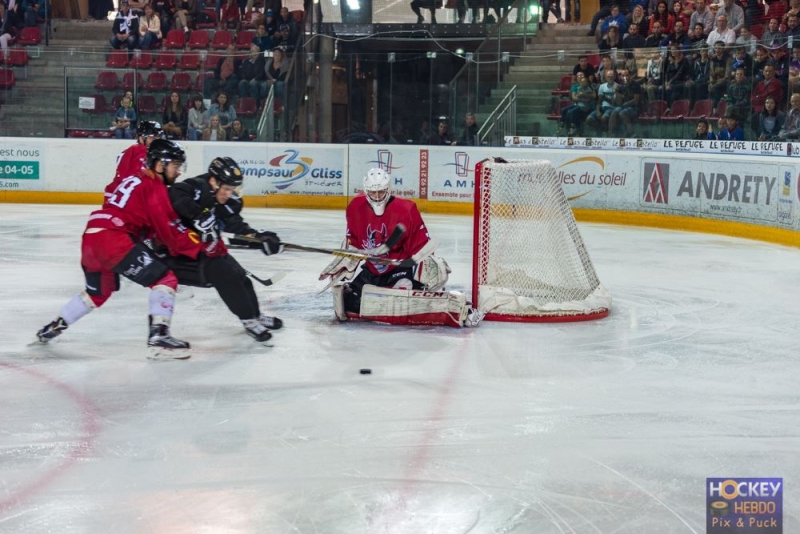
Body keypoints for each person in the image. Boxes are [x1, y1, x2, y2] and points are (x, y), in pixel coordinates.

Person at [35, 140, 215, 359]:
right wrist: (199, 245)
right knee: (165, 279)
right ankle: (159, 338)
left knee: (98, 293)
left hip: (92, 237)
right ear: (160, 165)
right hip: (114, 239)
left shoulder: (134, 178)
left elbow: (142, 221)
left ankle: (54, 326)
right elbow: (168, 230)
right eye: (175, 166)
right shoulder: (154, 186)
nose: (178, 172)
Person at [320, 168, 477, 328]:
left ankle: (436, 299)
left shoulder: (405, 210)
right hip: (372, 270)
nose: (377, 197)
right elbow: (353, 241)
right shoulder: (356, 207)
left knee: (401, 294)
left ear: (388, 189)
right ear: (366, 191)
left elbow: (420, 245)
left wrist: (427, 265)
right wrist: (347, 260)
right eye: (373, 193)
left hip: (398, 270)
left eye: (381, 192)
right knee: (348, 300)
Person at [165, 157, 283, 342]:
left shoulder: (224, 201)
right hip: (180, 255)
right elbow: (175, 195)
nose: (229, 194)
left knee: (240, 275)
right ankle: (248, 320)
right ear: (213, 181)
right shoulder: (197, 187)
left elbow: (236, 228)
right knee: (226, 276)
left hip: (206, 250)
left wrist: (260, 239)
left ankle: (255, 315)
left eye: (232, 189)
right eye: (226, 188)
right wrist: (198, 215)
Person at [105, 120, 165, 203]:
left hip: (118, 197)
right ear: (141, 138)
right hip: (125, 200)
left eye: (158, 137)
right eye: (152, 137)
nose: (156, 141)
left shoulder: (152, 154)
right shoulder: (137, 152)